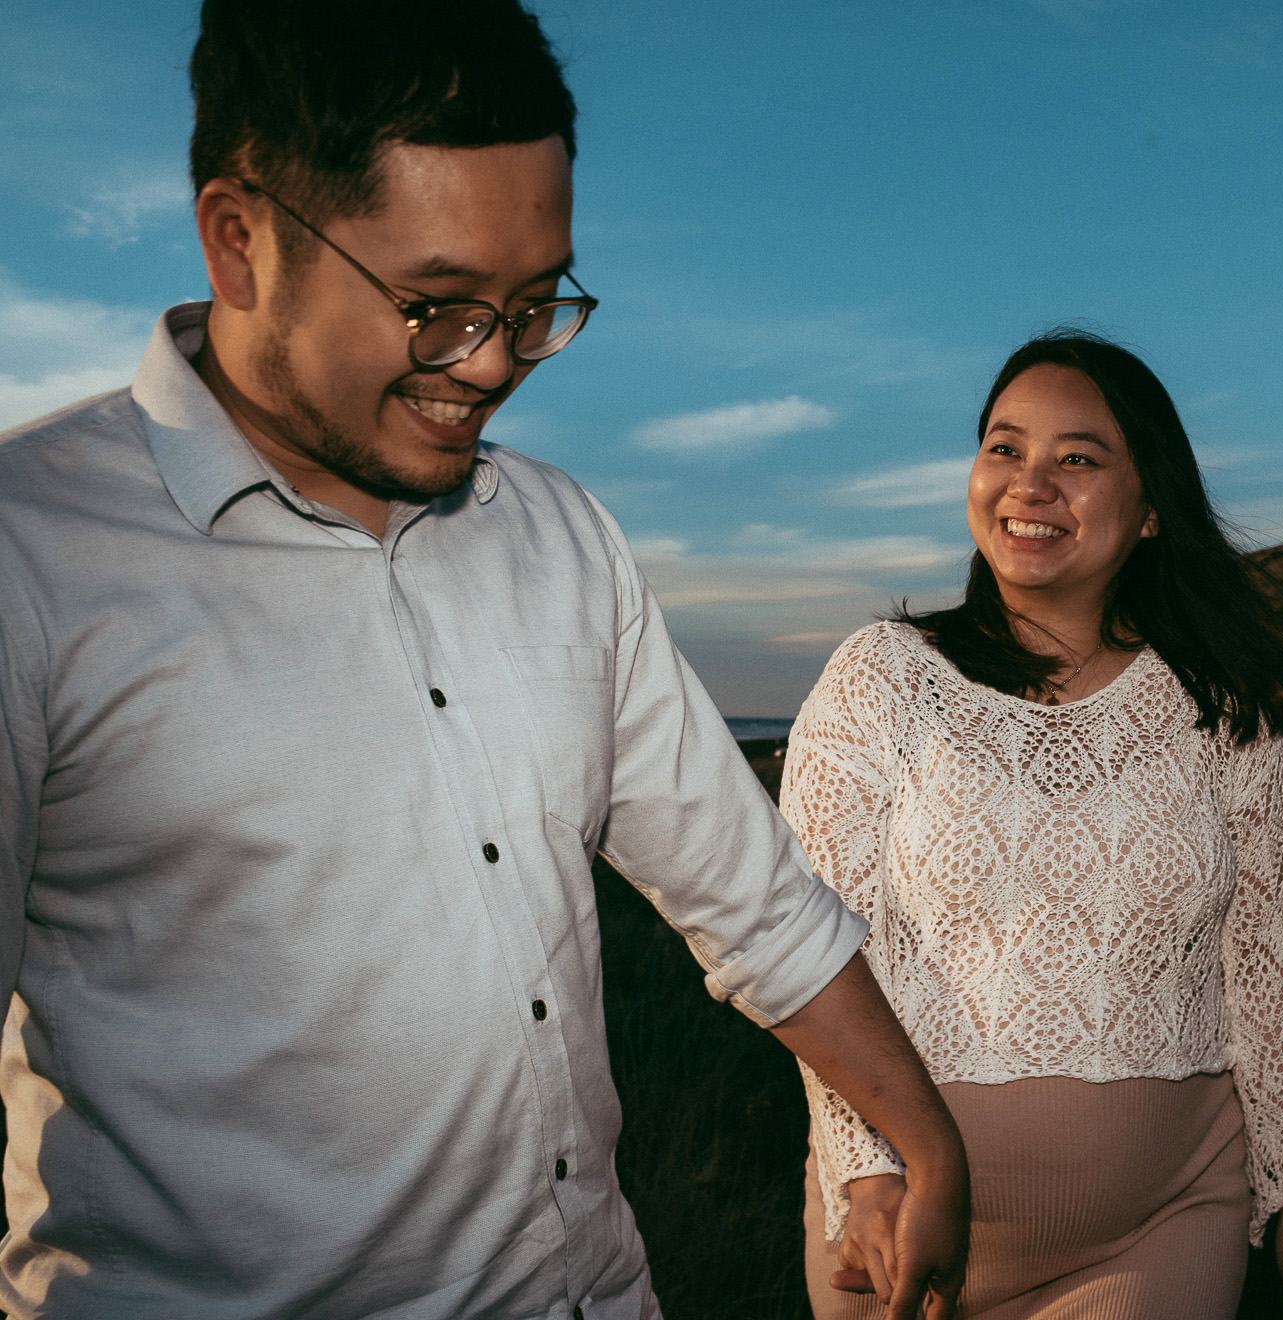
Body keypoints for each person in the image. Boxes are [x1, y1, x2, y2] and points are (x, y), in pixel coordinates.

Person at [0, 3, 968, 1317]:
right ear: (241, 241)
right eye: (440, 308)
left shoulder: (564, 533)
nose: (499, 366)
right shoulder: (31, 561)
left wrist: (926, 1141)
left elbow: (753, 902)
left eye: (534, 305)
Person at [781, 329, 1283, 1320]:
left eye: (1077, 460)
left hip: (1163, 1227)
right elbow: (809, 953)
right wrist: (865, 1174)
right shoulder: (883, 681)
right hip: (906, 1235)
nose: (1030, 484)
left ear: (1152, 512)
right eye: (1005, 448)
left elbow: (1263, 966)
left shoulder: (1225, 712)